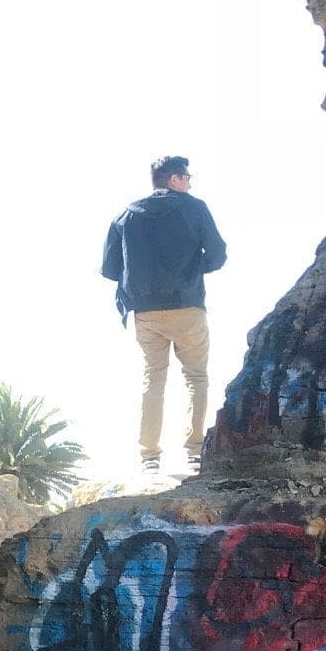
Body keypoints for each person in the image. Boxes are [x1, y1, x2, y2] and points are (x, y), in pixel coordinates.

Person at [101, 156, 227, 475]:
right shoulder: (194, 208)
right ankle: (194, 452)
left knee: (153, 377)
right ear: (173, 179)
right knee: (195, 377)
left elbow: (109, 269)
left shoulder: (126, 215)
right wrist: (192, 272)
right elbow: (217, 254)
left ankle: (149, 456)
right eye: (186, 177)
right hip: (187, 305)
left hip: (145, 311)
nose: (189, 182)